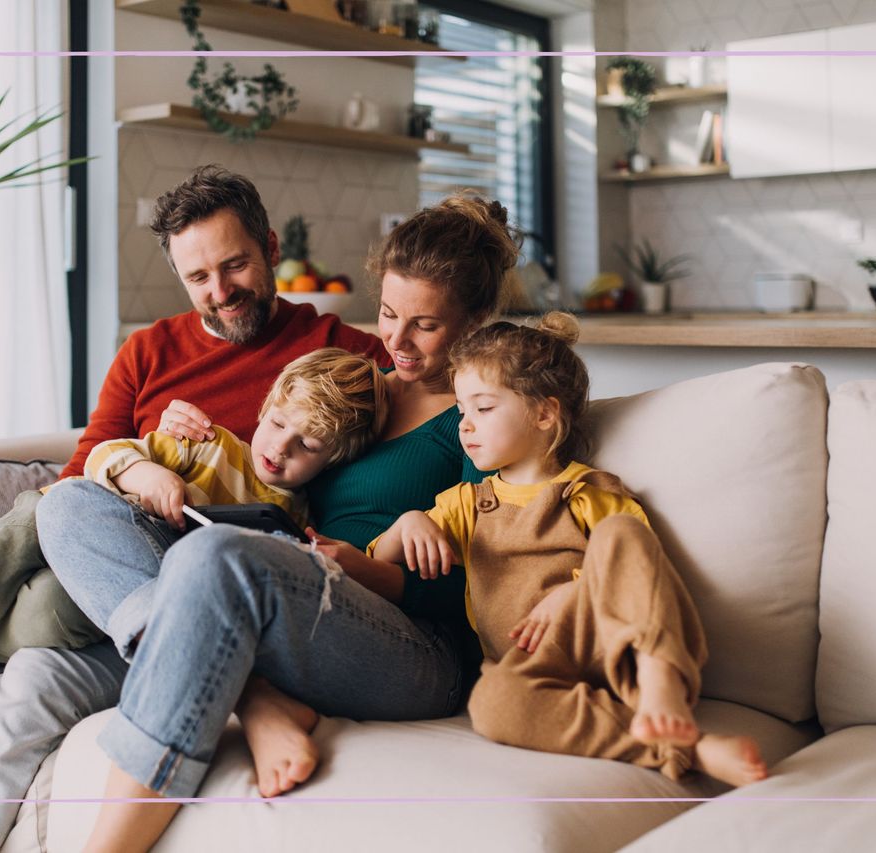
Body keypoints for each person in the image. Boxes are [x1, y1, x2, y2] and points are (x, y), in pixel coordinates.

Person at [0, 165, 387, 848]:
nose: (221, 292)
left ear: (270, 247)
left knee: (21, 695)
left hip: (173, 593)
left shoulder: (341, 357)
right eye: (198, 277)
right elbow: (71, 484)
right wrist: (142, 462)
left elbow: (429, 401)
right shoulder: (149, 350)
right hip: (87, 541)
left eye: (235, 265)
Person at [37, 193, 520, 849]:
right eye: (386, 314)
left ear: (476, 320)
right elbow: (276, 462)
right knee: (68, 504)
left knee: (213, 559)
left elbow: (491, 591)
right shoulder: (360, 384)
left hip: (417, 648)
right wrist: (188, 447)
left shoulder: (483, 415)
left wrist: (376, 570)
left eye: (425, 326)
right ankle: (255, 692)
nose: (397, 343)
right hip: (299, 596)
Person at [0, 347, 387, 807]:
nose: (280, 448)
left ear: (335, 458)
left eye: (307, 446)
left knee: (50, 607)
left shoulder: (295, 529)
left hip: (95, 590)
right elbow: (104, 456)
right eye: (277, 424)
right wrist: (145, 471)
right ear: (265, 407)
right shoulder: (210, 444)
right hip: (46, 522)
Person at [370, 313, 769, 787]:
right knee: (491, 705)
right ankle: (687, 748)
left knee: (621, 531)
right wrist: (409, 521)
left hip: (608, 644)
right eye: (461, 411)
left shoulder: (587, 490)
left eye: (484, 408)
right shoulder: (467, 504)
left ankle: (662, 676)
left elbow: (640, 566)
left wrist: (574, 594)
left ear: (544, 414)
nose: (466, 426)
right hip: (531, 666)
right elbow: (381, 558)